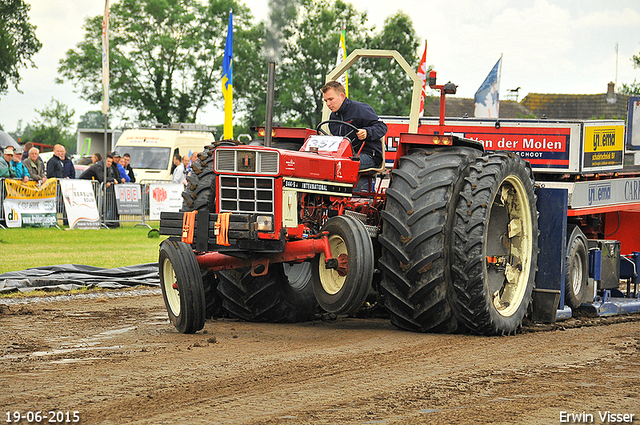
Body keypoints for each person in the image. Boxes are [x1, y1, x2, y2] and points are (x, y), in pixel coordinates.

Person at [321, 81, 387, 171]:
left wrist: (367, 132)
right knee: (321, 163)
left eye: (331, 99)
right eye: (326, 101)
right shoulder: (333, 118)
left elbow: (382, 127)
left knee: (340, 165)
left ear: (342, 96)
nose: (328, 104)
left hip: (368, 154)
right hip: (344, 155)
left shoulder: (360, 109)